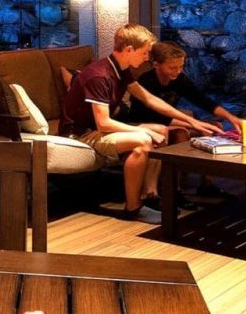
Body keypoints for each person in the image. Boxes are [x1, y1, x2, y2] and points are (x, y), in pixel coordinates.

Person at [58, 24, 223, 222]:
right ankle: (133, 208)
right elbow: (103, 123)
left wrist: (192, 122)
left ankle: (149, 194)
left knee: (160, 129)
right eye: (145, 52)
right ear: (129, 49)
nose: (147, 58)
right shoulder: (100, 75)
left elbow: (149, 99)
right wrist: (146, 132)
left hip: (97, 129)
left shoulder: (120, 70)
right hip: (81, 134)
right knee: (142, 141)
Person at [125, 42, 245, 136]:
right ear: (156, 65)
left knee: (215, 126)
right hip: (144, 120)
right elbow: (151, 115)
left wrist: (231, 118)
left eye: (181, 66)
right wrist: (194, 124)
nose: (178, 71)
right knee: (181, 133)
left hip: (167, 119)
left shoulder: (179, 79)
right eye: (172, 67)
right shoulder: (146, 81)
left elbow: (202, 100)